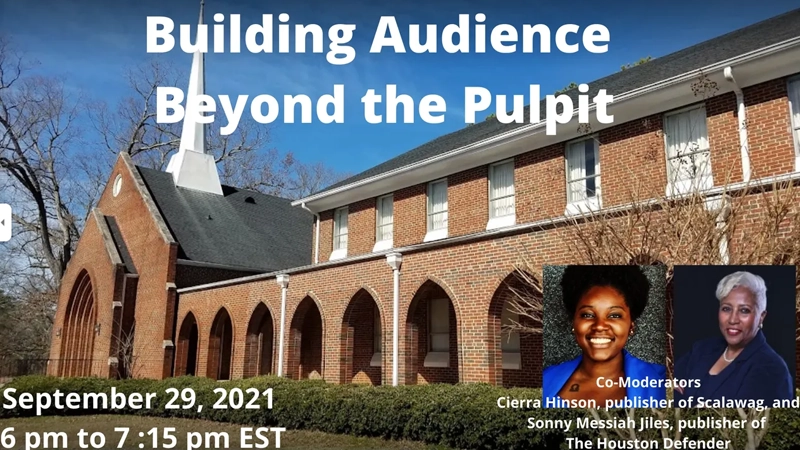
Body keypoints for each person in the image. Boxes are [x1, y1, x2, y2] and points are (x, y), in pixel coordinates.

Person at [543, 265, 666, 407]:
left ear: (631, 326)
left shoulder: (663, 383)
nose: (600, 326)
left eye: (614, 315)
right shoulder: (546, 379)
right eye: (587, 315)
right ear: (574, 323)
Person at [674, 271, 793, 404]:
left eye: (744, 310)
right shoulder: (702, 349)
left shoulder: (771, 369)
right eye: (726, 309)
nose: (733, 319)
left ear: (761, 317)